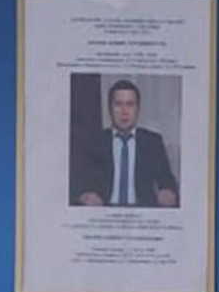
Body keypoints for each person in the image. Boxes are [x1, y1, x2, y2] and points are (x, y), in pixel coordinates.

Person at [72, 79, 180, 207]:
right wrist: (83, 195)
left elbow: (167, 181)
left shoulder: (152, 142)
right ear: (110, 108)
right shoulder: (94, 142)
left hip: (142, 212)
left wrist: (168, 192)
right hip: (105, 211)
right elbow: (78, 181)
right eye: (118, 104)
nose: (124, 111)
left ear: (137, 109)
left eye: (130, 104)